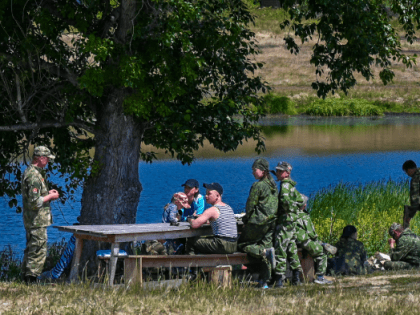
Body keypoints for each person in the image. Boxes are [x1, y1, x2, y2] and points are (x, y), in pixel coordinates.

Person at [272, 161, 331, 287]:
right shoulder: (291, 186)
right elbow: (299, 200)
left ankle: (279, 280)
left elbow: (286, 202)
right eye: (276, 171)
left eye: (279, 171)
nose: (277, 173)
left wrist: (288, 212)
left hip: (285, 223)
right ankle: (296, 278)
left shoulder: (285, 186)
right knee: (291, 249)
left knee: (281, 249)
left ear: (287, 173)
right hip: (292, 225)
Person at [21, 146, 60, 283]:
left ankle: (26, 278)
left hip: (34, 220)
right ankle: (31, 280)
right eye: (47, 158)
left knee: (32, 248)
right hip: (36, 220)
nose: (48, 161)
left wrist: (47, 194)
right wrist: (51, 197)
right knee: (38, 250)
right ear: (41, 158)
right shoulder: (34, 176)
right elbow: (34, 202)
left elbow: (36, 196)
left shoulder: (33, 172)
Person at [238, 158, 278, 289]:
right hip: (271, 222)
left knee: (243, 244)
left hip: (258, 222)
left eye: (254, 170)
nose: (253, 173)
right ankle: (265, 282)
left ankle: (262, 252)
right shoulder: (273, 185)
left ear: (262, 170)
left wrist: (245, 221)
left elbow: (250, 206)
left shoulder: (258, 186)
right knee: (267, 248)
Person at [293, 194, 335, 284]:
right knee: (322, 253)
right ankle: (320, 276)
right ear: (304, 205)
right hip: (304, 241)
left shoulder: (290, 215)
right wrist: (318, 242)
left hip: (294, 242)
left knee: (318, 247)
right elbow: (311, 233)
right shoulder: (304, 216)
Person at [186, 182, 237, 255]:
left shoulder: (212, 210)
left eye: (209, 194)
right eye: (206, 193)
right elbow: (219, 221)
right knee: (206, 241)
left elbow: (194, 224)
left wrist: (190, 219)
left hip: (222, 245)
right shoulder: (228, 208)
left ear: (217, 195)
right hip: (233, 245)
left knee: (191, 241)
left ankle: (192, 265)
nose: (206, 196)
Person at [402, 160, 420, 228]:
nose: (407, 174)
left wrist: (409, 215)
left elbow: (415, 199)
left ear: (409, 170)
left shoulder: (416, 178)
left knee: (408, 211)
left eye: (406, 172)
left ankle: (405, 233)